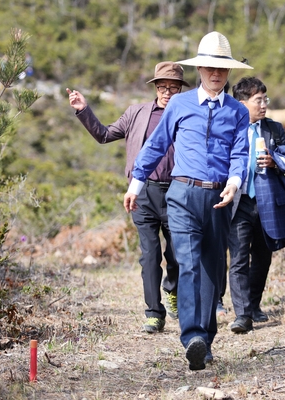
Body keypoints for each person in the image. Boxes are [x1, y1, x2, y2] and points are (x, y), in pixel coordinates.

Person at [123, 31, 253, 371]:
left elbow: (241, 152)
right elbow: (156, 145)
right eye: (209, 67)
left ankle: (205, 342)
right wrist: (136, 183)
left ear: (228, 72)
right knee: (189, 262)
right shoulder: (179, 105)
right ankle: (192, 336)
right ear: (199, 69)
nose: (215, 74)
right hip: (180, 193)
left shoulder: (238, 111)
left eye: (222, 69)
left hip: (220, 197)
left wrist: (235, 181)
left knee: (212, 267)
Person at [66, 61, 191, 334]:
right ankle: (153, 313)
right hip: (143, 192)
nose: (167, 92)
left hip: (178, 192)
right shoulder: (136, 113)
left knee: (177, 254)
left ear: (181, 90)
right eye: (162, 87)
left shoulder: (188, 115)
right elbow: (104, 134)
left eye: (173, 87)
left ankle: (172, 291)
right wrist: (83, 110)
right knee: (149, 255)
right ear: (155, 88)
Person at [228, 77, 285, 333]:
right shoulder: (230, 128)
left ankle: (254, 305)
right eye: (259, 100)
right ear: (242, 103)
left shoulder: (274, 129)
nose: (264, 105)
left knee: (262, 257)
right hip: (238, 202)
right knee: (237, 259)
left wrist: (275, 161)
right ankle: (242, 316)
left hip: (267, 202)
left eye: (265, 99)